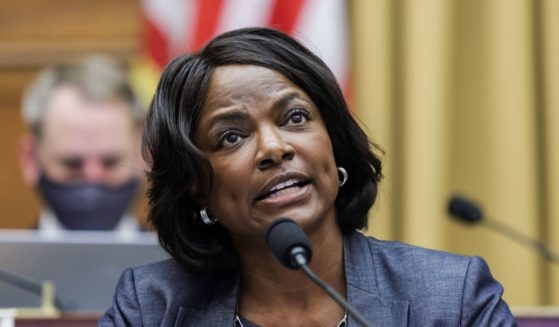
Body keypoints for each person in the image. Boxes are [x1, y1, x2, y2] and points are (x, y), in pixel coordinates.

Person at [100, 27, 515, 326]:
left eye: (295, 117)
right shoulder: (152, 309)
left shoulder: (452, 298)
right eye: (231, 136)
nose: (274, 148)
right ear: (196, 184)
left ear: (333, 141)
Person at [19, 56, 145, 233]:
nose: (92, 177)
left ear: (143, 155)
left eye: (110, 162)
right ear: (30, 158)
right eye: (72, 163)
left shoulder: (182, 261)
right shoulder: (7, 262)